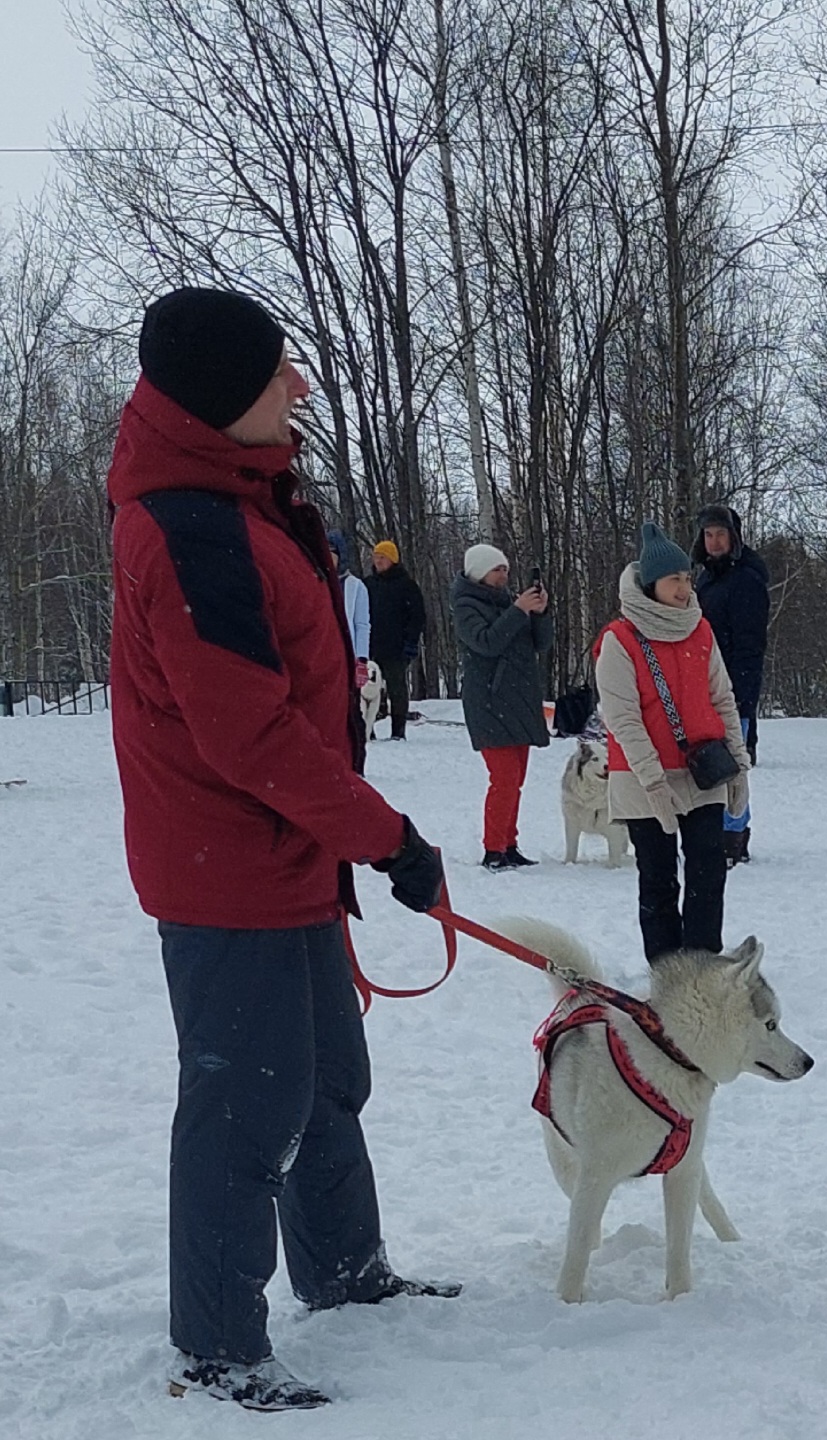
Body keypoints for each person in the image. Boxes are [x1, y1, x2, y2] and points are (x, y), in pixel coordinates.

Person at [109, 287, 454, 1412]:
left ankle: (346, 1276)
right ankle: (215, 1344)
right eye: (277, 376)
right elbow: (251, 732)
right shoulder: (192, 526)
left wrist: (355, 837)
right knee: (246, 1103)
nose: (299, 387)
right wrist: (389, 838)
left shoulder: (241, 497)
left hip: (285, 852)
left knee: (326, 1083)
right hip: (231, 865)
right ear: (221, 401)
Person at [597, 522, 752, 959]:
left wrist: (739, 767)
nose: (685, 589)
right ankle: (667, 971)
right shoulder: (619, 639)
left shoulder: (699, 630)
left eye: (687, 578)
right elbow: (623, 719)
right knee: (659, 876)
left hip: (703, 771)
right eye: (674, 580)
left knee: (709, 870)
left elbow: (723, 700)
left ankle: (702, 964)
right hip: (643, 776)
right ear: (651, 585)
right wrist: (652, 781)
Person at [451, 543, 552, 869]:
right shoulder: (466, 605)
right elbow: (486, 642)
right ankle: (493, 848)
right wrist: (519, 611)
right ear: (481, 572)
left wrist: (540, 614)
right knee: (504, 777)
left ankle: (509, 844)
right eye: (498, 569)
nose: (504, 574)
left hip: (518, 697)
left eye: (505, 568)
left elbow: (541, 643)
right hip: (489, 702)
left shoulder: (511, 603)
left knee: (516, 778)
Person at [690, 503, 769, 864]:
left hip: (734, 689)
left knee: (733, 765)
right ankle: (714, 833)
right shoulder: (706, 576)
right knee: (709, 764)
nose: (715, 541)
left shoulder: (746, 579)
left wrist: (739, 696)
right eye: (709, 534)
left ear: (734, 537)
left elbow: (750, 645)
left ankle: (734, 837)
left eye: (721, 534)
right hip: (703, 684)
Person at [367, 539, 427, 740]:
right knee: (369, 690)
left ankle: (398, 731)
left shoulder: (406, 585)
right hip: (370, 647)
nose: (378, 561)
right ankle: (369, 729)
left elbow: (417, 616)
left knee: (397, 689)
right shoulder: (368, 585)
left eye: (382, 557)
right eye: (376, 557)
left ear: (392, 559)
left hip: (396, 647)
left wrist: (411, 642)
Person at [326, 530, 372, 702]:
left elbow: (362, 625)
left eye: (332, 554)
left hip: (346, 654)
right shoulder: (316, 582)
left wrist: (361, 659)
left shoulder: (355, 586)